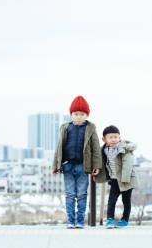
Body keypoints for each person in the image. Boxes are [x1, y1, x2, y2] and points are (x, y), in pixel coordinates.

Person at [52, 95, 102, 228]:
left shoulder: (90, 129)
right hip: (67, 166)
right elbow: (58, 148)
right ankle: (70, 221)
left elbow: (96, 149)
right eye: (76, 114)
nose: (79, 116)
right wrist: (55, 165)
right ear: (71, 114)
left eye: (82, 114)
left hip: (83, 166)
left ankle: (80, 221)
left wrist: (96, 165)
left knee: (81, 194)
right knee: (69, 194)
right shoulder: (65, 127)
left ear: (86, 115)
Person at [96, 125, 138, 228]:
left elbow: (128, 164)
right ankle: (110, 219)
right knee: (111, 200)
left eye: (116, 137)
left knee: (126, 200)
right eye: (111, 137)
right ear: (104, 139)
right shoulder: (104, 150)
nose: (114, 139)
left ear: (119, 137)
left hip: (126, 178)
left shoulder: (124, 149)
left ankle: (125, 220)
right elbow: (101, 162)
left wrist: (125, 178)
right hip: (114, 179)